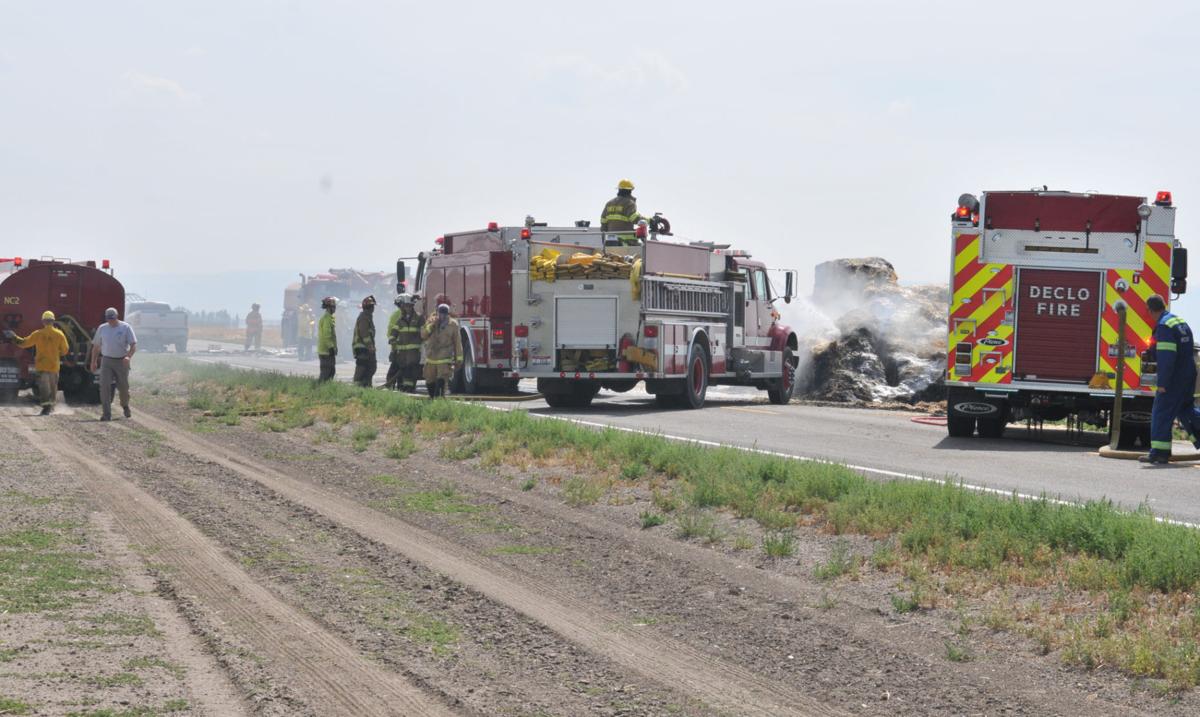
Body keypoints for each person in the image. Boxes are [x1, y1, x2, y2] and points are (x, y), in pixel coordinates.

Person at [1140, 294, 1200, 464]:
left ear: (1150, 310)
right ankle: (1162, 452)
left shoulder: (1164, 326)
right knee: (1186, 410)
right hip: (1188, 374)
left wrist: (1162, 383)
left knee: (1161, 413)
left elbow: (1167, 357)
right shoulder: (1179, 321)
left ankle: (1159, 453)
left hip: (1174, 379)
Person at [4, 310, 70, 415]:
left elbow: (24, 343)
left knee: (44, 387)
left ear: (43, 321)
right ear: (53, 321)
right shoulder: (59, 334)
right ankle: (51, 407)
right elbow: (65, 350)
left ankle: (46, 408)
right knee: (53, 387)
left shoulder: (38, 334)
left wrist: (13, 337)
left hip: (42, 365)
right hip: (54, 366)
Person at [89, 307, 137, 421]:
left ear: (117, 317)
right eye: (109, 319)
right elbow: (96, 347)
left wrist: (128, 356)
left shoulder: (126, 327)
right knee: (104, 386)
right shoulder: (102, 328)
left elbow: (133, 345)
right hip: (106, 361)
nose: (111, 321)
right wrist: (93, 362)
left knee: (123, 388)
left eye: (113, 318)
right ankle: (106, 414)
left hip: (122, 361)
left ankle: (125, 405)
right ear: (106, 318)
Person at [421, 303, 461, 399]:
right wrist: (431, 326)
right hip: (431, 358)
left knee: (441, 382)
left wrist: (458, 359)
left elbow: (457, 343)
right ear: (437, 312)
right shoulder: (431, 321)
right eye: (440, 313)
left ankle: (438, 402)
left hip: (444, 359)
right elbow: (423, 335)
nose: (442, 316)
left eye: (444, 314)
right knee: (430, 383)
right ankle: (433, 401)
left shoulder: (453, 325)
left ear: (447, 314)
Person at [385, 295, 423, 392]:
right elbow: (393, 333)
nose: (407, 308)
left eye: (409, 306)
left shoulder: (419, 318)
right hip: (401, 354)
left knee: (410, 374)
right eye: (406, 306)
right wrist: (393, 344)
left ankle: (408, 390)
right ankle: (400, 390)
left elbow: (424, 333)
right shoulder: (400, 319)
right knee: (399, 372)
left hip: (413, 354)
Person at [600, 178, 647, 245]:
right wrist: (649, 220)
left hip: (610, 240)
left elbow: (603, 223)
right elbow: (634, 218)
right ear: (630, 190)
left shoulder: (609, 203)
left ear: (619, 190)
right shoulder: (629, 203)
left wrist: (604, 239)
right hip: (626, 242)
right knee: (642, 247)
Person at [352, 295, 377, 387]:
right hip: (362, 347)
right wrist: (370, 345)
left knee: (371, 367)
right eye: (372, 306)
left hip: (366, 347)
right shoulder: (364, 317)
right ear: (369, 307)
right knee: (362, 368)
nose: (373, 308)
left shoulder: (368, 317)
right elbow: (364, 333)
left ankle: (366, 385)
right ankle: (358, 387)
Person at [317, 296, 337, 382]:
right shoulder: (327, 319)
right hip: (326, 351)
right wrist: (331, 347)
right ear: (329, 308)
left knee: (330, 371)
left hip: (326, 350)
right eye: (334, 307)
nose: (335, 308)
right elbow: (327, 335)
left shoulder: (328, 318)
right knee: (327, 372)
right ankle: (321, 389)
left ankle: (324, 388)